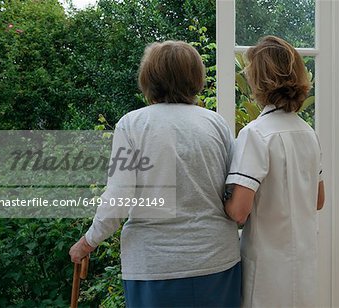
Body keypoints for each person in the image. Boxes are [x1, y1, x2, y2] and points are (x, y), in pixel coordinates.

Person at [69, 40, 241, 307]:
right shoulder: (216, 123)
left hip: (156, 267)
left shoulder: (133, 124)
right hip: (217, 263)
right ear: (196, 77)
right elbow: (234, 189)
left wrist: (88, 242)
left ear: (149, 78)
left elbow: (119, 197)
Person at [224, 35, 325, 307]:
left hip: (267, 272)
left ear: (258, 80)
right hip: (303, 265)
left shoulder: (255, 135)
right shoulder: (308, 133)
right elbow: (318, 200)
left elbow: (238, 211)